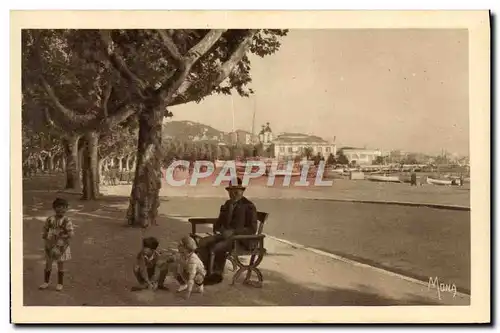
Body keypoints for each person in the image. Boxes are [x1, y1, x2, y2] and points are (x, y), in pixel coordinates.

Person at [197, 177, 258, 285]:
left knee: (215, 247)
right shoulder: (227, 204)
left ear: (242, 191)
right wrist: (219, 228)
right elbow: (219, 222)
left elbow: (252, 229)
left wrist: (233, 232)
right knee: (203, 243)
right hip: (226, 236)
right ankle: (206, 272)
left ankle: (215, 274)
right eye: (231, 192)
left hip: (240, 240)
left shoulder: (248, 206)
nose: (233, 194)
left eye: (236, 191)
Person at [39, 198, 75, 291]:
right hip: (50, 245)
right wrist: (46, 237)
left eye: (63, 207)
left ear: (66, 209)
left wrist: (63, 235)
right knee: (48, 264)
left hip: (62, 246)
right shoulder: (50, 219)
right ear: (54, 208)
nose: (61, 209)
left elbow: (71, 234)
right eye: (58, 207)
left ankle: (60, 283)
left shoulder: (67, 221)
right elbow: (45, 231)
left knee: (60, 264)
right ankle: (46, 282)